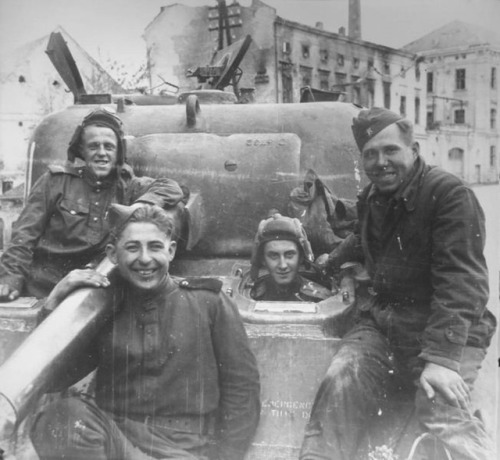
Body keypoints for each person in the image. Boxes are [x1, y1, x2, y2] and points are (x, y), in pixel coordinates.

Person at [300, 107, 497, 460]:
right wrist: (330, 264)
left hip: (444, 328)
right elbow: (362, 239)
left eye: (391, 150)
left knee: (442, 409)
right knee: (339, 383)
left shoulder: (449, 195)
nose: (381, 162)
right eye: (371, 154)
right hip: (383, 322)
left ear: (414, 150)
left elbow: (462, 281)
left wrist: (442, 360)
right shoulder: (373, 197)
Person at [30, 203, 261, 460]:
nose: (144, 259)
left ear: (171, 251)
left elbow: (242, 391)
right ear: (113, 254)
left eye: (155, 247)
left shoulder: (209, 302)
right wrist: (53, 303)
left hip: (182, 449)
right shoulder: (105, 307)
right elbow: (53, 379)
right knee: (62, 418)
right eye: (132, 247)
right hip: (118, 441)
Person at [0, 107, 185, 300]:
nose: (102, 153)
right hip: (43, 287)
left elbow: (171, 188)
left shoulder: (128, 187)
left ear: (118, 152)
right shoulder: (55, 182)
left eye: (109, 146)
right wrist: (9, 277)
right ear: (82, 150)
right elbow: (24, 236)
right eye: (93, 146)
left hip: (96, 288)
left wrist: (138, 207)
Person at [250, 213, 331, 302]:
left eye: (289, 255)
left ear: (300, 258)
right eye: (274, 256)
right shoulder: (251, 296)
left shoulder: (321, 299)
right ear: (263, 260)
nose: (283, 265)